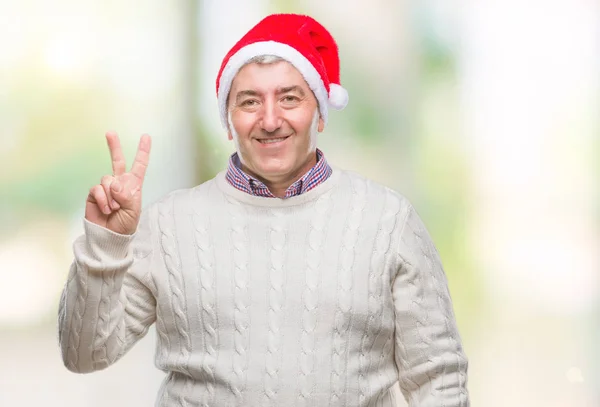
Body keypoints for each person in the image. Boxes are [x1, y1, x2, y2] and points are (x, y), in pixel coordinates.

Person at [58, 13, 470, 407]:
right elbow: (83, 354)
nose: (270, 119)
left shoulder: (389, 221)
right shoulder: (168, 224)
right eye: (250, 102)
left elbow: (439, 378)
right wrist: (106, 244)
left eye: (290, 98)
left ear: (320, 113)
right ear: (228, 120)